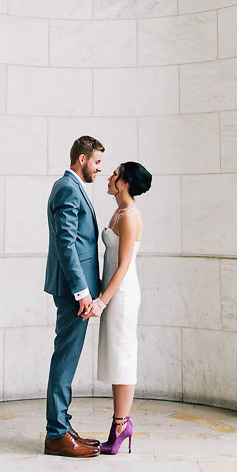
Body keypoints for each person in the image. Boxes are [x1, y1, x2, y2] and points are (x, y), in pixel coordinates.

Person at [83, 160, 152, 455]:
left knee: (123, 357)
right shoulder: (118, 211)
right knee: (115, 358)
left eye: (114, 174)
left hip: (121, 295)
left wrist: (102, 300)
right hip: (112, 292)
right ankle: (118, 423)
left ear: (124, 183)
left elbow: (124, 266)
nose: (108, 177)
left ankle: (122, 425)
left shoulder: (129, 216)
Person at [43, 135, 105, 458]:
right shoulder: (68, 188)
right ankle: (56, 434)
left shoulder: (73, 188)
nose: (98, 169)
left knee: (67, 357)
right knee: (65, 360)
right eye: (96, 162)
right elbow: (67, 244)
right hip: (73, 292)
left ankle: (62, 426)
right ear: (82, 160)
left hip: (75, 290)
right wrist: (82, 292)